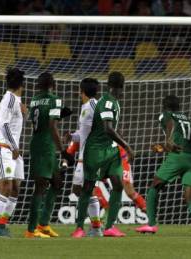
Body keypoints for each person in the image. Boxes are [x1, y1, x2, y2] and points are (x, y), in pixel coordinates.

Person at [72, 72, 134, 238]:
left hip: (110, 150)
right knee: (87, 188)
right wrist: (126, 145)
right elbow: (107, 128)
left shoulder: (112, 101)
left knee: (118, 184)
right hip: (96, 150)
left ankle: (109, 227)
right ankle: (79, 228)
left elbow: (110, 129)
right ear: (122, 86)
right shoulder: (107, 102)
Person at [136, 95, 191, 236]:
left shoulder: (166, 115)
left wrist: (167, 142)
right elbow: (183, 141)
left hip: (177, 158)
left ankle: (151, 224)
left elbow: (170, 123)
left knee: (155, 185)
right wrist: (164, 147)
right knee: (189, 195)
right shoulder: (186, 118)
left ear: (165, 106)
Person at [25, 72, 73, 238]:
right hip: (46, 146)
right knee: (41, 186)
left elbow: (37, 120)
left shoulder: (34, 100)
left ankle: (43, 224)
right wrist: (64, 151)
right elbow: (52, 125)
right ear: (53, 84)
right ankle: (31, 230)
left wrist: (59, 114)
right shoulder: (55, 99)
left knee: (57, 182)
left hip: (39, 143)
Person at [0, 68, 27, 238]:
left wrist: (24, 115)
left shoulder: (16, 101)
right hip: (3, 147)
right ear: (22, 84)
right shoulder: (10, 99)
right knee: (6, 186)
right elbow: (3, 125)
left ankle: (2, 224)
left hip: (12, 150)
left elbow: (14, 124)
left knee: (15, 189)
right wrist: (14, 147)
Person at [66, 78, 102, 237]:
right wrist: (72, 137)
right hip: (83, 155)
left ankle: (91, 228)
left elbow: (105, 128)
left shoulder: (95, 106)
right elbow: (83, 134)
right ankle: (95, 228)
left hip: (90, 156)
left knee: (83, 189)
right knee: (80, 190)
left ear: (82, 91)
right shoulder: (85, 107)